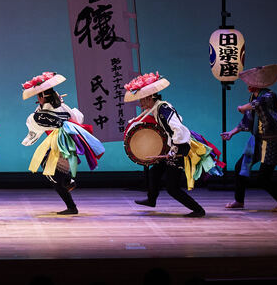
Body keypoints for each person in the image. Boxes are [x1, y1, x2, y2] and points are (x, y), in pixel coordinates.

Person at [124, 72, 221, 217]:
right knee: (154, 172)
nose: (140, 103)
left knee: (172, 187)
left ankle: (198, 210)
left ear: (150, 97)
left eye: (142, 99)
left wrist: (174, 150)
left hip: (180, 148)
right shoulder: (156, 108)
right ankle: (151, 199)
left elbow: (179, 128)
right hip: (175, 147)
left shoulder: (163, 108)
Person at [21, 71, 105, 215]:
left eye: (38, 96)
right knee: (52, 170)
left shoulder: (45, 110)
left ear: (42, 97)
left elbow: (34, 121)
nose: (37, 99)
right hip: (67, 141)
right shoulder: (60, 106)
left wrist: (42, 111)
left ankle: (69, 191)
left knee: (52, 173)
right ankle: (68, 184)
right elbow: (76, 117)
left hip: (61, 142)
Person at [220, 64, 277, 212]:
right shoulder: (252, 96)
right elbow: (247, 120)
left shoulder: (269, 95)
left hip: (272, 141)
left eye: (250, 83)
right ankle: (239, 201)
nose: (248, 85)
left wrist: (243, 107)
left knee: (263, 178)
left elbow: (258, 104)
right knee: (241, 167)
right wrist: (232, 132)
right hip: (257, 140)